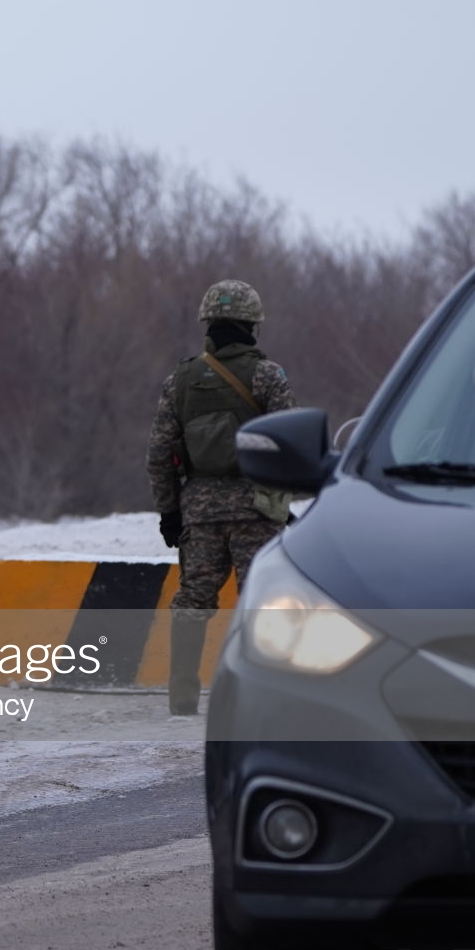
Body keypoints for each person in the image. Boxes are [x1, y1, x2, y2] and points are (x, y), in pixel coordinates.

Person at [146, 280, 296, 716]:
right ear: (252, 324)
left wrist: (169, 511)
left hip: (200, 513)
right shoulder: (269, 375)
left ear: (207, 323)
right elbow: (290, 440)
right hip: (258, 509)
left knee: (192, 601)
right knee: (259, 600)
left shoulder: (181, 379)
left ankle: (182, 696)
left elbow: (158, 453)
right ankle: (260, 694)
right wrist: (285, 497)